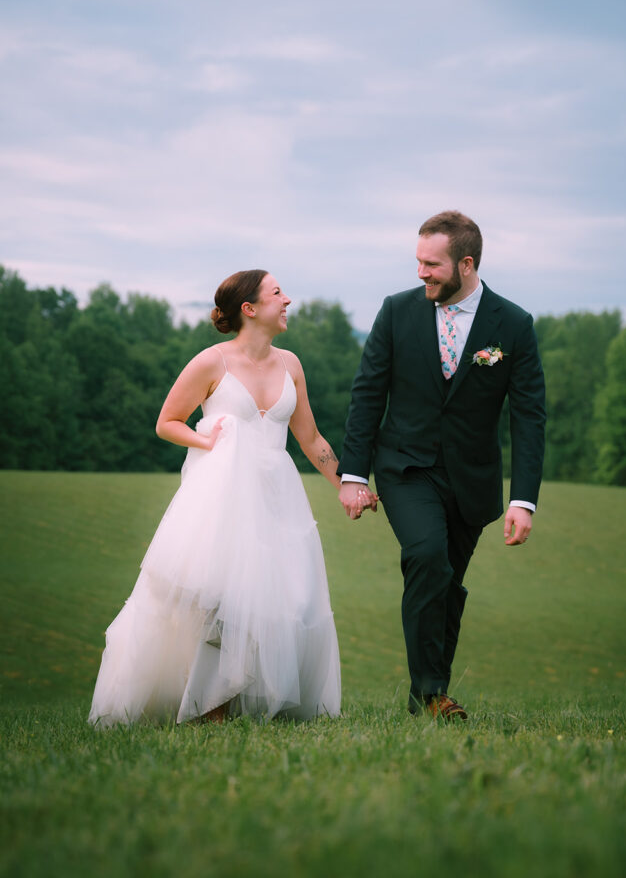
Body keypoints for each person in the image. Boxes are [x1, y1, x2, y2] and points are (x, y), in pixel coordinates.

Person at [89, 269, 345, 727]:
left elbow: (309, 438)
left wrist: (346, 485)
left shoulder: (291, 364)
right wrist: (208, 443)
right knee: (217, 599)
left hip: (277, 500)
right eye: (277, 293)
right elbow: (168, 421)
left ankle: (254, 700)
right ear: (249, 309)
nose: (287, 300)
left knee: (283, 599)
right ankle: (210, 709)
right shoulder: (212, 362)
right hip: (221, 500)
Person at [337, 210, 545, 721]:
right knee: (428, 557)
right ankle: (432, 692)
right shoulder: (396, 312)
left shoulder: (513, 325)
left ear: (466, 264)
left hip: (471, 479)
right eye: (418, 262)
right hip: (406, 468)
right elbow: (368, 394)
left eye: (432, 264)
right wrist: (353, 475)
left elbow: (529, 414)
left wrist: (523, 499)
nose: (421, 273)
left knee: (447, 582)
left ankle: (428, 697)